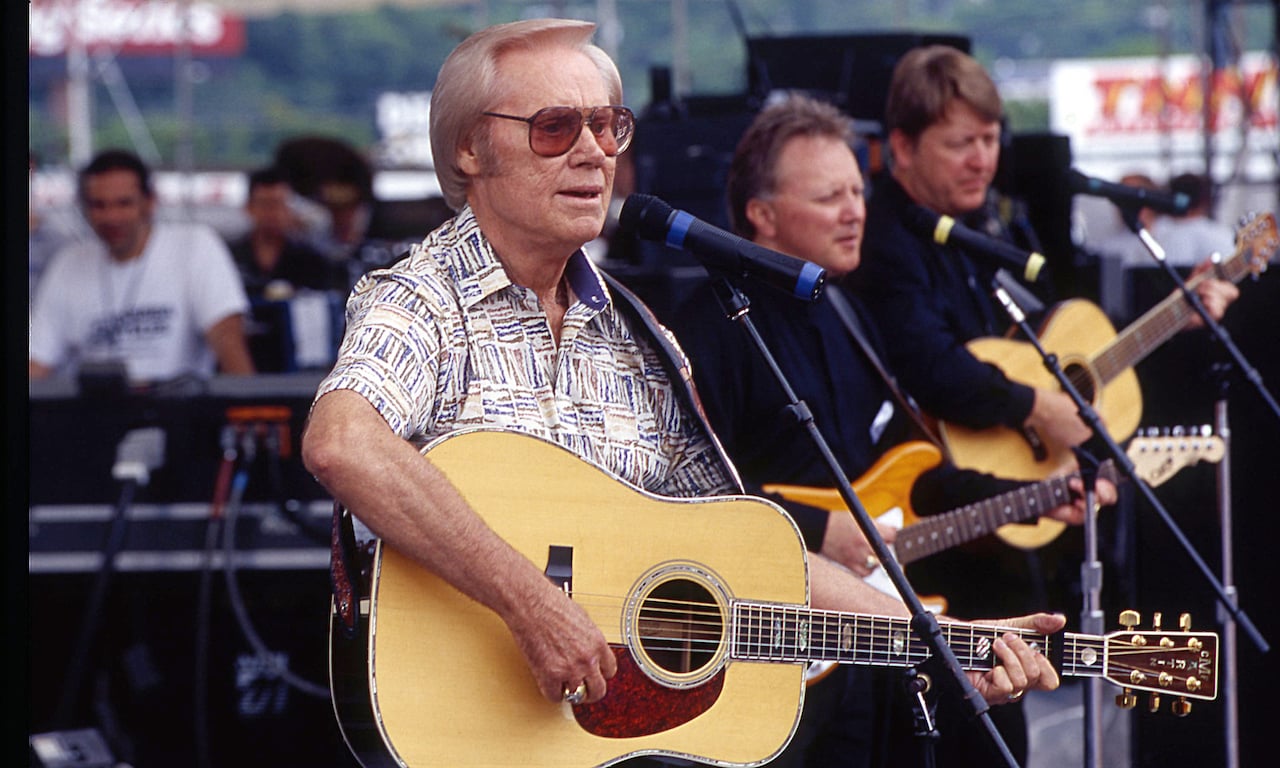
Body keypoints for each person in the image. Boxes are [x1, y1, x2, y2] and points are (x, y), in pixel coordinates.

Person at [301, 20, 1063, 768]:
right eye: (555, 128)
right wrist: (529, 604)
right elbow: (343, 442)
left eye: (608, 127)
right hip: (456, 726)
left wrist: (940, 642)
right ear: (470, 148)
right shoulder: (422, 299)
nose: (594, 152)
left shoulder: (637, 334)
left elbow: (746, 552)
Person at [671, 93, 1113, 768]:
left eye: (857, 190)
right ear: (761, 214)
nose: (854, 211)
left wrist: (1031, 494)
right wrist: (818, 531)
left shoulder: (846, 312)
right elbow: (681, 494)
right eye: (828, 197)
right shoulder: (710, 329)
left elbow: (910, 467)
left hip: (867, 649)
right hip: (765, 649)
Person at [850, 45, 1237, 766]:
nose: (981, 159)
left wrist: (1170, 316)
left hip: (1012, 519)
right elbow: (928, 363)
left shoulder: (999, 230)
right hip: (936, 511)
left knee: (1008, 718)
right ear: (901, 146)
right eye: (959, 142)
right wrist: (1035, 407)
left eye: (990, 140)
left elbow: (1058, 340)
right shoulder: (887, 241)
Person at [29, 148, 255, 384]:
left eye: (124, 204)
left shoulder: (195, 246)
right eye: (99, 205)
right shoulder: (68, 263)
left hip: (177, 412)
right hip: (93, 414)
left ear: (149, 202)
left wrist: (250, 406)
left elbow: (227, 337)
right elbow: (37, 361)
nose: (112, 217)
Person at [228, 164, 345, 300]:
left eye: (278, 204)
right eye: (265, 204)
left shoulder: (312, 261)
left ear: (289, 209)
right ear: (249, 208)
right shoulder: (230, 257)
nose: (272, 214)